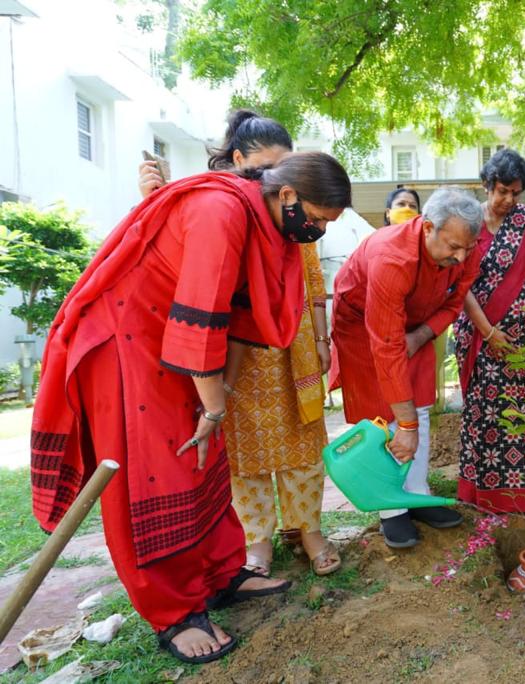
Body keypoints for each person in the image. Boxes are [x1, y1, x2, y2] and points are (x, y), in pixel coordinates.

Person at [31, 152, 352, 663]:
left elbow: (242, 319)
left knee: (204, 463)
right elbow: (201, 316)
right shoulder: (219, 212)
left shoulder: (266, 224)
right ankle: (174, 613)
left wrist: (218, 397)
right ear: (287, 195)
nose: (314, 231)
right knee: (153, 475)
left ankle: (222, 575)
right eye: (315, 219)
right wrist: (214, 408)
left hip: (179, 346)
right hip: (127, 344)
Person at [140, 110, 341, 578]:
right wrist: (153, 199)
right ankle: (257, 539)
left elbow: (311, 280)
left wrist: (321, 337)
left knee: (302, 441)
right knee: (244, 451)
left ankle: (307, 529)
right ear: (236, 159)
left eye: (282, 170)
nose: (275, 181)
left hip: (292, 346)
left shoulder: (296, 205)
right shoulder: (220, 205)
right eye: (265, 169)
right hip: (234, 354)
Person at [332, 186, 482, 548]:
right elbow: (385, 345)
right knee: (384, 416)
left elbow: (454, 302)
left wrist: (421, 336)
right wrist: (406, 426)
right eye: (453, 247)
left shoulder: (465, 248)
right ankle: (391, 510)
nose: (461, 257)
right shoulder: (391, 257)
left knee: (421, 406)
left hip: (416, 324)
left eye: (468, 248)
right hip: (362, 326)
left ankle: (416, 493)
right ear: (427, 227)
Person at [454, 149, 525, 514]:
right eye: (502, 191)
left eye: (516, 193)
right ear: (487, 185)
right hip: (479, 335)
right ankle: (486, 495)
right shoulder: (466, 222)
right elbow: (459, 283)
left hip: (524, 335)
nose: (509, 200)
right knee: (486, 411)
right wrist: (488, 332)